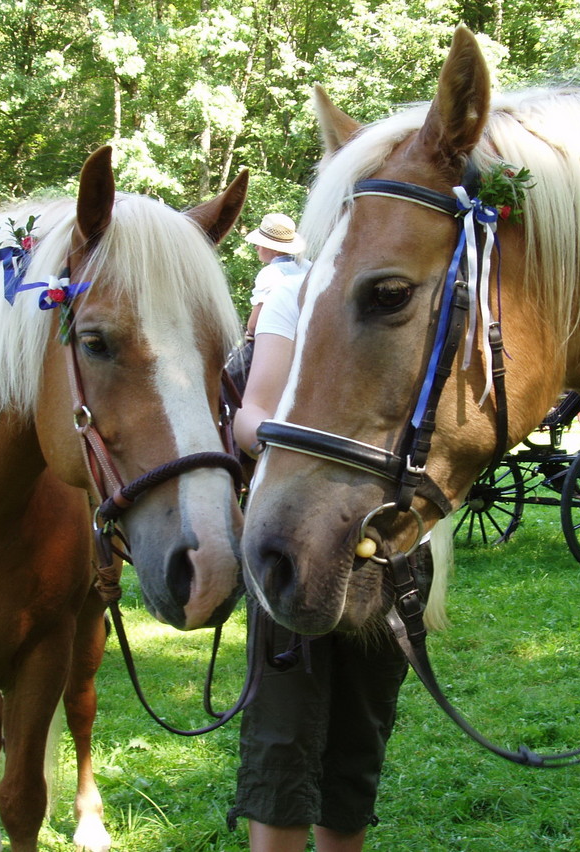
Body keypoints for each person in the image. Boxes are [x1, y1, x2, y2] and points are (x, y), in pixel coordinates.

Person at [229, 224, 415, 852]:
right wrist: (302, 454)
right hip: (296, 529)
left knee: (360, 732)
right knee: (283, 732)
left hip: (384, 533)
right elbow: (250, 414)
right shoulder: (291, 293)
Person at [242, 213, 310, 341]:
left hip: (280, 341)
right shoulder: (307, 266)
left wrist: (249, 333)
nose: (256, 247)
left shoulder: (271, 273)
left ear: (275, 250)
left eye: (260, 244)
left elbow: (253, 325)